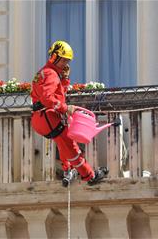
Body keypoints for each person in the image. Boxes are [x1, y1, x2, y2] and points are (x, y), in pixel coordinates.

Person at [30, 40, 108, 186]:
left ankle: (68, 170)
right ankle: (89, 176)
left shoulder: (47, 73)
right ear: (54, 57)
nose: (66, 64)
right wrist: (66, 109)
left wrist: (65, 80)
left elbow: (58, 95)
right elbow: (48, 99)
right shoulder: (51, 74)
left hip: (41, 118)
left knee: (62, 143)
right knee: (70, 146)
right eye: (64, 60)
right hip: (48, 116)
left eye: (67, 61)